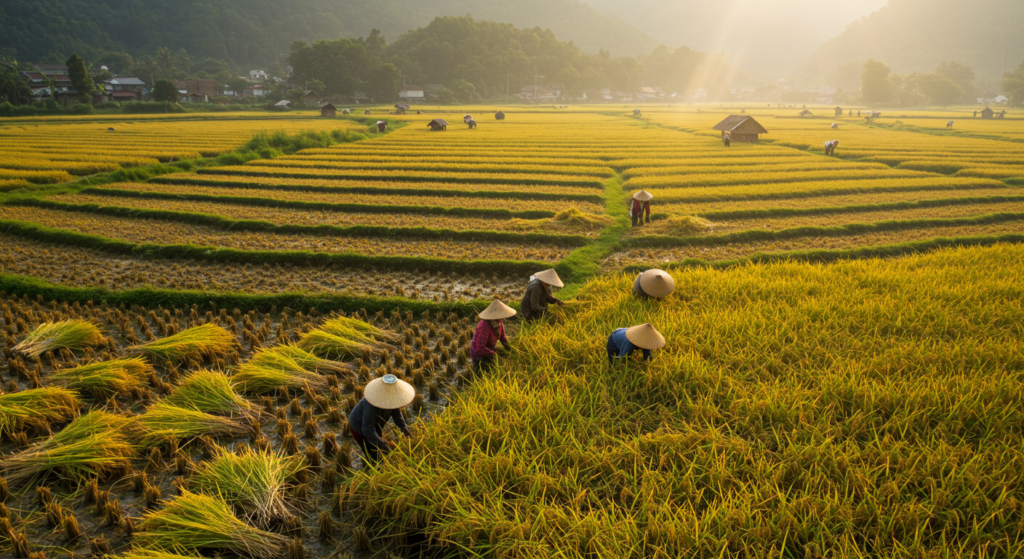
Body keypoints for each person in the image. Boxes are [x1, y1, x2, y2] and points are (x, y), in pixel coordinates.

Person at [348, 374, 414, 465]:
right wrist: (382, 444)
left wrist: (404, 429)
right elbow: (367, 429)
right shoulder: (371, 405)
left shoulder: (392, 399)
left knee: (378, 443)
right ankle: (371, 467)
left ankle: (380, 459)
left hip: (376, 423)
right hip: (359, 427)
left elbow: (397, 416)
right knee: (372, 451)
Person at [470, 300, 515, 372]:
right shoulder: (484, 325)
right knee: (484, 372)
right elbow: (480, 348)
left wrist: (510, 349)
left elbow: (502, 337)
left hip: (489, 349)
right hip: (479, 355)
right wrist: (495, 355)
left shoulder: (498, 321)